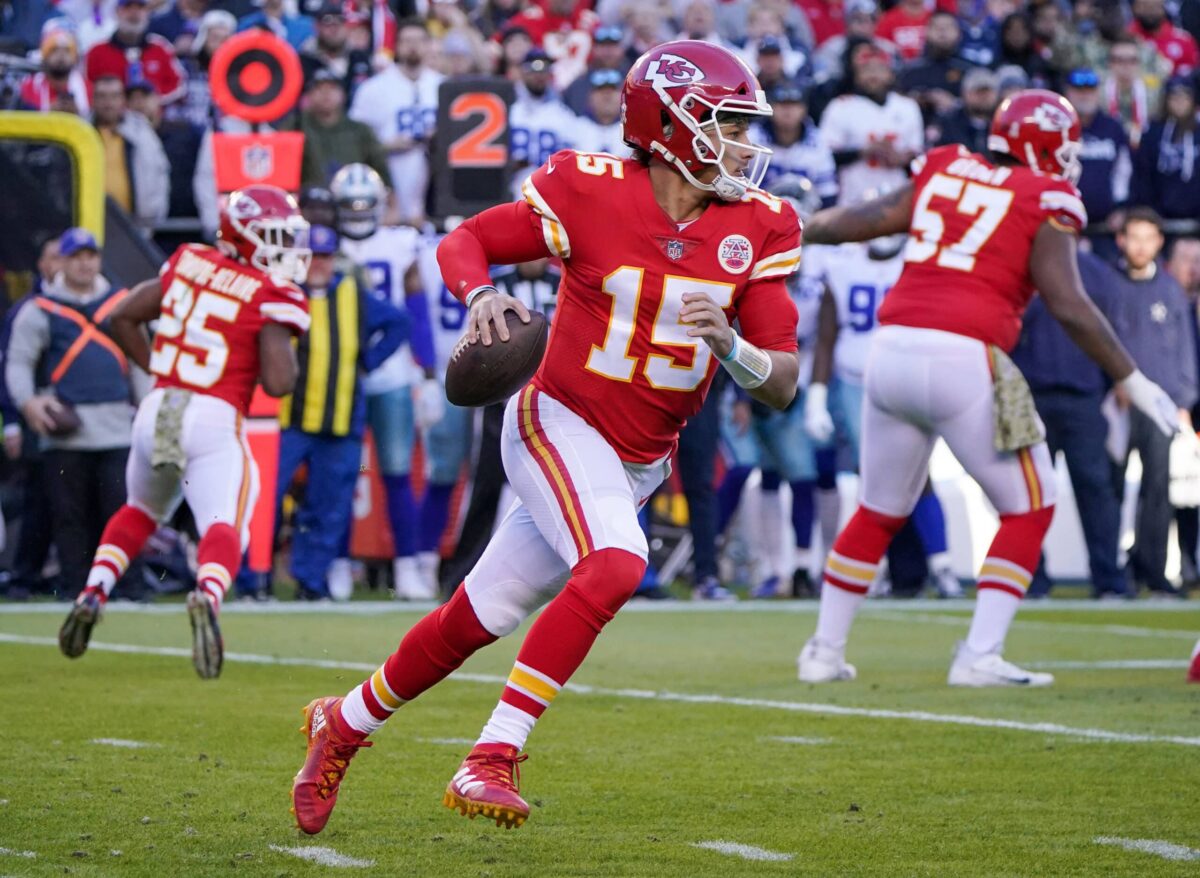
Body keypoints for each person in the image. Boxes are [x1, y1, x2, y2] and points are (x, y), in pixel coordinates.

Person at [291, 40, 802, 834]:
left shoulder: (760, 225)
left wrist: (732, 347)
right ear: (669, 124)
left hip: (638, 459)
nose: (742, 143)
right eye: (727, 123)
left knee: (478, 614)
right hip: (557, 419)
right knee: (618, 563)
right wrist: (482, 294)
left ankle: (343, 723)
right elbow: (464, 242)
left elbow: (783, 383)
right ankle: (492, 754)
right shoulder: (589, 189)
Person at [797, 90, 1178, 688]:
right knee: (1032, 506)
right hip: (961, 355)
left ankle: (823, 650)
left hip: (890, 350)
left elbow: (866, 220)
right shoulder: (1044, 196)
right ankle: (980, 655)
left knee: (877, 509)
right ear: (1043, 144)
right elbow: (1069, 304)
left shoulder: (945, 165)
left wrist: (799, 227)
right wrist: (1133, 376)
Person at [55, 188, 311, 676]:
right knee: (225, 522)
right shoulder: (273, 293)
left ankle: (94, 590)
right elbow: (279, 383)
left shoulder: (189, 261)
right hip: (214, 415)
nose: (288, 249)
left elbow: (121, 315)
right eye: (276, 237)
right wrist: (281, 341)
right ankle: (209, 597)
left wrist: (158, 370)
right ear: (244, 237)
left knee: (141, 510)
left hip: (159, 405)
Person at [804, 214, 963, 599]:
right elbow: (826, 338)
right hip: (857, 384)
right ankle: (877, 569)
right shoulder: (842, 268)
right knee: (875, 479)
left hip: (908, 376)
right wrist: (817, 397)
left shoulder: (917, 265)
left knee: (916, 473)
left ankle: (939, 566)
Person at [5, 228, 149, 602]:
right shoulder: (41, 309)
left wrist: (148, 409)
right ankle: (77, 588)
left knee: (122, 513)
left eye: (91, 256)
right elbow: (18, 364)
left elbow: (141, 361)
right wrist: (29, 403)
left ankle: (128, 587)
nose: (85, 264)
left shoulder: (122, 303)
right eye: (76, 257)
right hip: (67, 429)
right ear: (63, 262)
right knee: (69, 518)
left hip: (116, 425)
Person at [275, 224, 409, 601]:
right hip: (290, 420)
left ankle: (311, 582)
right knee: (268, 499)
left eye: (325, 256)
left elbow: (399, 322)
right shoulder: (286, 294)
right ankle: (256, 580)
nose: (319, 264)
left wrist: (369, 360)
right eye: (313, 256)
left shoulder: (354, 295)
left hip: (341, 419)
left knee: (329, 506)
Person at [330, 163, 437, 598]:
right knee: (342, 473)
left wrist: (429, 374)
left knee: (395, 472)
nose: (357, 213)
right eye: (350, 205)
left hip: (392, 374)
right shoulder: (326, 244)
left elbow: (416, 308)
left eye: (364, 205)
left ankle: (406, 566)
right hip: (343, 376)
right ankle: (337, 562)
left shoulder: (400, 243)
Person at [1010, 251, 1128, 599]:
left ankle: (1109, 579)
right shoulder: (1023, 268)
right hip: (1032, 396)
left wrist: (1103, 385)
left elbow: (1113, 333)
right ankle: (1031, 579)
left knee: (1095, 489)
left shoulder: (1097, 274)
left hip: (1083, 397)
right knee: (1029, 492)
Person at [1106, 209, 1197, 596]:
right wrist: (1112, 384)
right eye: (1135, 237)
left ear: (1160, 242)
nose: (1142, 245)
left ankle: (1153, 569)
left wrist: (1184, 400)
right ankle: (1111, 571)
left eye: (1149, 237)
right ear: (1121, 240)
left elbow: (1185, 351)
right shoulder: (1107, 285)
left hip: (1161, 404)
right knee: (1109, 488)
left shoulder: (1170, 291)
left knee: (1158, 488)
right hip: (1116, 403)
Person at [348, 18, 443, 226]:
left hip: (433, 177)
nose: (413, 46)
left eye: (419, 40)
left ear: (429, 45)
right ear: (397, 46)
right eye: (407, 40)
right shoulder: (373, 88)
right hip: (388, 171)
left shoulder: (442, 85)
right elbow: (354, 139)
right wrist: (385, 146)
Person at [818, 43, 923, 206]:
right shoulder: (840, 107)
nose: (873, 75)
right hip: (853, 197)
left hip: (897, 197)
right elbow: (824, 156)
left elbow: (919, 155)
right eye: (866, 69)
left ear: (890, 74)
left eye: (880, 69)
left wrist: (901, 158)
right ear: (856, 75)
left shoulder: (907, 106)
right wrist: (863, 151)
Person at [1063, 67, 1130, 255]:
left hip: (1105, 227)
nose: (1085, 95)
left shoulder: (1112, 127)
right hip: (1064, 225)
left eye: (1090, 89)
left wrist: (1121, 207)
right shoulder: (1058, 127)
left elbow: (1124, 171)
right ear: (1068, 92)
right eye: (1079, 90)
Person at [91, 74, 170, 228]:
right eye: (102, 97)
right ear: (92, 100)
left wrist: (153, 215)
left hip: (134, 226)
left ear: (123, 101)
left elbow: (159, 173)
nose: (108, 103)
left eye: (114, 96)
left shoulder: (141, 133)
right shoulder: (83, 132)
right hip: (91, 223)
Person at [293, 69, 391, 189]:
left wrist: (391, 198)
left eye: (332, 88)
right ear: (308, 95)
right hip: (309, 202)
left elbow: (381, 170)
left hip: (355, 198)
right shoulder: (296, 126)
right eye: (319, 89)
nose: (326, 94)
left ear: (343, 94)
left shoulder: (360, 130)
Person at [1130, 76, 1200, 227]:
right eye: (1174, 96)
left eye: (1185, 96)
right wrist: (1149, 211)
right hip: (1159, 218)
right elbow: (1143, 174)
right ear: (1166, 100)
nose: (1179, 101)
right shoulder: (1153, 133)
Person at [86, 0, 187, 105]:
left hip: (156, 116)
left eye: (140, 7)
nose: (134, 13)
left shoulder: (161, 48)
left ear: (148, 12)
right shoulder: (97, 52)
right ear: (117, 12)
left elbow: (180, 85)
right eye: (128, 7)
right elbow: (86, 87)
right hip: (110, 117)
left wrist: (155, 101)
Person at [930, 66, 998, 155]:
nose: (984, 97)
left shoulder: (1002, 125)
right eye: (978, 92)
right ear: (965, 93)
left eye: (988, 92)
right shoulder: (949, 124)